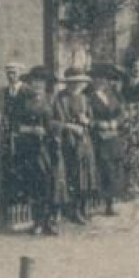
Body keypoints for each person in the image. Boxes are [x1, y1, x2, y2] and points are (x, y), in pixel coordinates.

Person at [9, 65, 64, 235]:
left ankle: (50, 221)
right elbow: (15, 125)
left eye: (41, 82)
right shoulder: (23, 101)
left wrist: (50, 129)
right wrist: (31, 130)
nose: (38, 85)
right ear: (30, 83)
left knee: (51, 183)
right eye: (34, 81)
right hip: (30, 148)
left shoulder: (52, 100)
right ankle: (38, 221)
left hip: (49, 147)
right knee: (35, 183)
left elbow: (60, 121)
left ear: (46, 84)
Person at [53, 67, 97, 225]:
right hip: (67, 141)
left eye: (79, 83)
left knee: (84, 176)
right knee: (69, 175)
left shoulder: (85, 99)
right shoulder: (60, 98)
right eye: (73, 83)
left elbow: (92, 121)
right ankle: (69, 210)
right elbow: (55, 121)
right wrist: (70, 127)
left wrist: (87, 121)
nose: (76, 86)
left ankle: (81, 209)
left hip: (84, 142)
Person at [89, 62, 125, 215]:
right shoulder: (88, 96)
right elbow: (87, 118)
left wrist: (115, 122)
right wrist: (99, 124)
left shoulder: (112, 94)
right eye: (97, 78)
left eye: (104, 79)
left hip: (113, 135)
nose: (101, 82)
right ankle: (102, 203)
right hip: (98, 137)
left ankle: (111, 202)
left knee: (115, 167)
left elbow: (121, 113)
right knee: (103, 167)